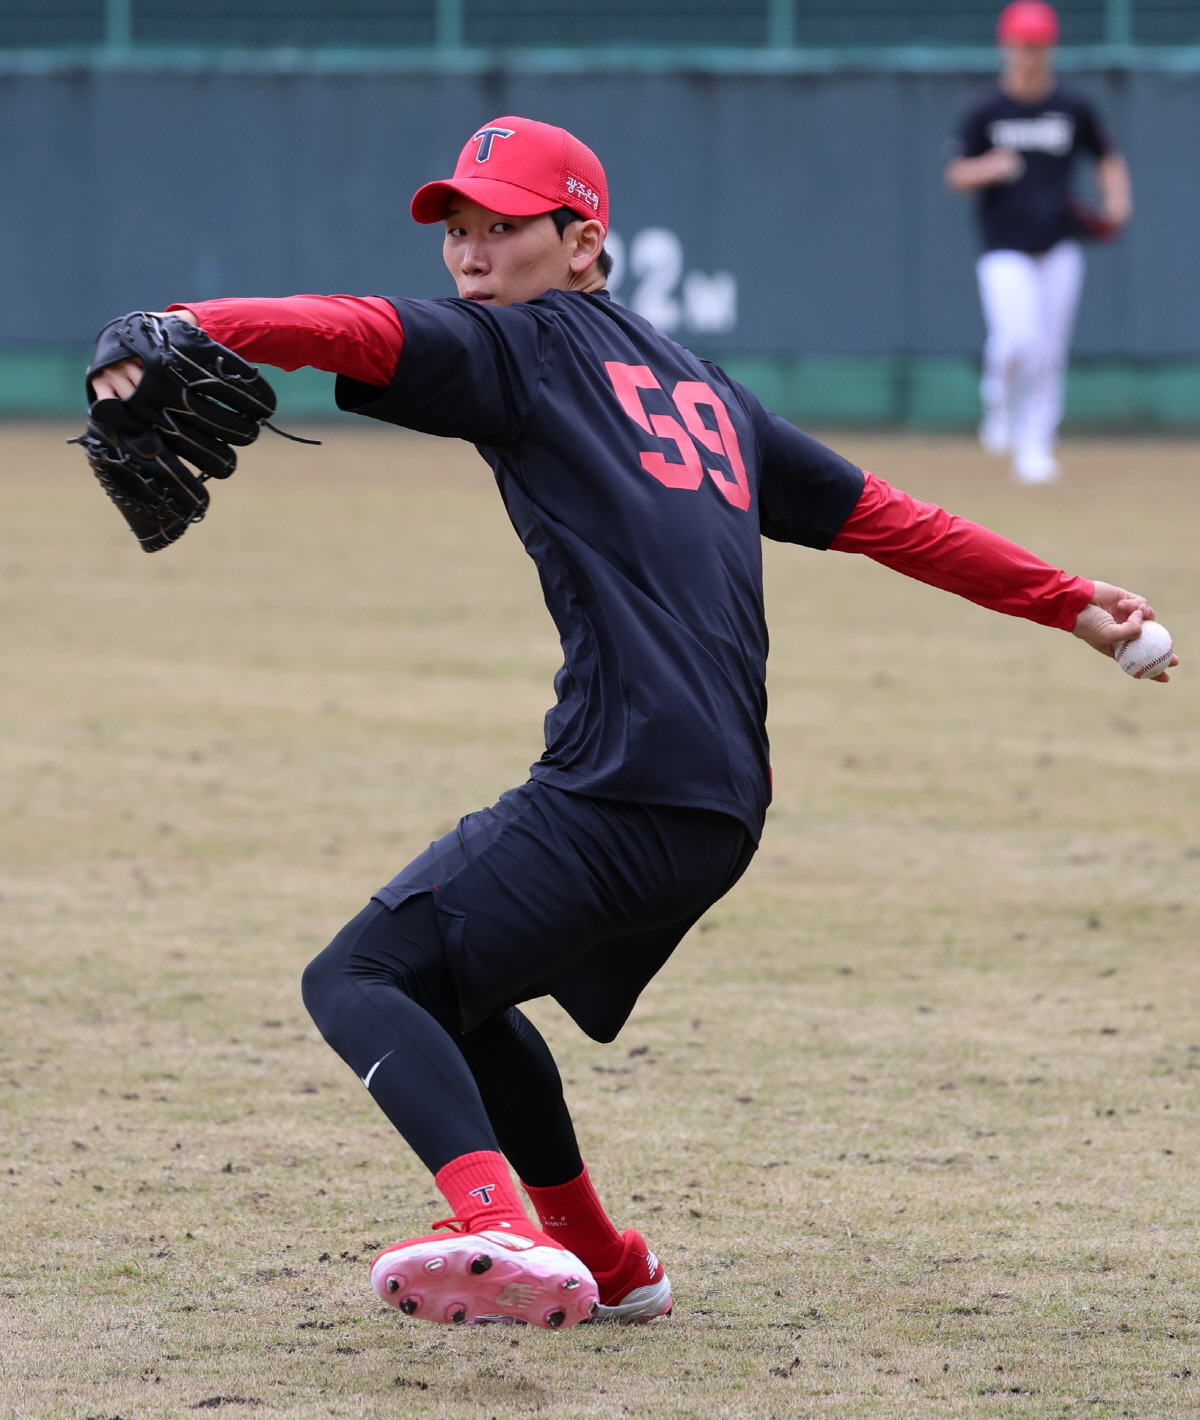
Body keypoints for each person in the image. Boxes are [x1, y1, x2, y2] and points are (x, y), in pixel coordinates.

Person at [90, 114, 1172, 1332]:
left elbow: (355, 326)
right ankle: (606, 1262)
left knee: (359, 975)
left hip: (622, 781)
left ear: (584, 241)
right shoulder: (705, 389)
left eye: (502, 223)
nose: (471, 251)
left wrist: (189, 328)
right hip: (718, 806)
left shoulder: (523, 351)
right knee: (453, 993)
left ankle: (491, 1218)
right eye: (457, 228)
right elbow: (895, 520)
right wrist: (1070, 600)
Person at [945, 0, 1132, 484]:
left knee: (1049, 352)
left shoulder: (1072, 108)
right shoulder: (987, 108)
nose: (1030, 54)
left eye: (1038, 45)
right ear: (1005, 46)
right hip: (1004, 245)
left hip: (1058, 244)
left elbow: (1107, 157)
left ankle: (1036, 448)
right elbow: (957, 173)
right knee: (1016, 342)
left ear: (1051, 48)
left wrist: (1117, 202)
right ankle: (999, 402)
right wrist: (991, 168)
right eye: (1022, 44)